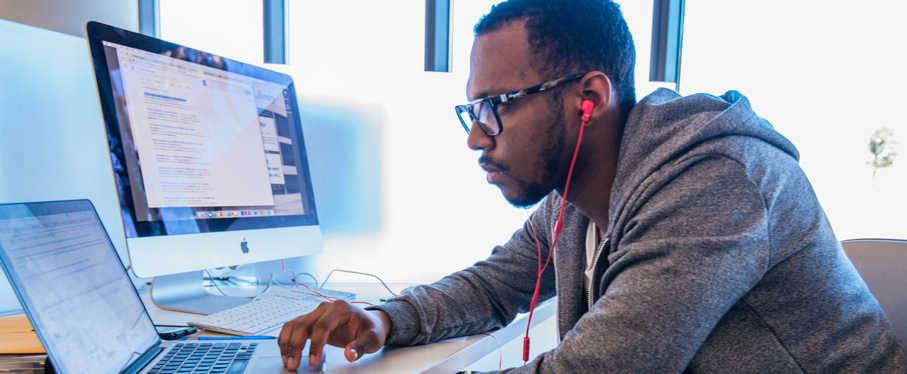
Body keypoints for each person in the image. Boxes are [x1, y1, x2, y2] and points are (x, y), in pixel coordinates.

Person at [278, 0, 907, 372]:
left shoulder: (713, 182)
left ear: (589, 98)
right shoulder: (574, 199)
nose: (477, 136)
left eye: (498, 105)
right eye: (473, 110)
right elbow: (498, 283)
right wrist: (387, 318)